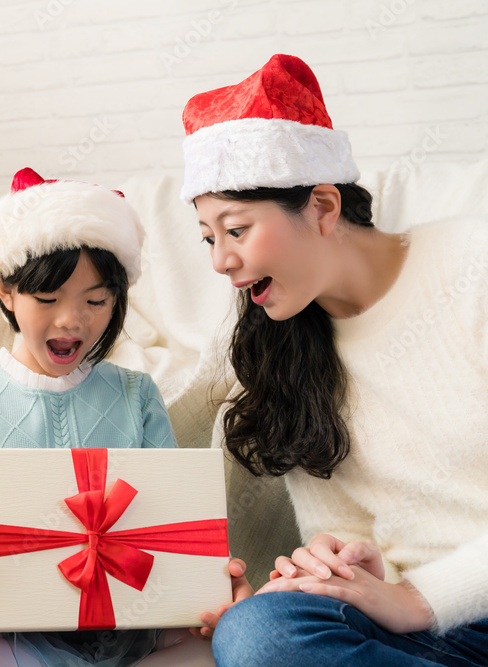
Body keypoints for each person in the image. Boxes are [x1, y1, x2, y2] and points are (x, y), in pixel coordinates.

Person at [179, 54, 488, 666]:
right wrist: (347, 567)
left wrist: (421, 598)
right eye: (209, 237)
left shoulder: (472, 268)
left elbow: (411, 600)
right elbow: (353, 536)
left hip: (437, 607)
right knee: (255, 629)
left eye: (236, 229)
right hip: (420, 633)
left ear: (322, 206)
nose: (220, 262)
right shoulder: (284, 349)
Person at [0, 167, 242, 667]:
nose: (72, 320)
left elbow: (168, 516)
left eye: (96, 300)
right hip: (7, 632)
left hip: (126, 631)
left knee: (224, 643)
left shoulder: (136, 395)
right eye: (47, 299)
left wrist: (204, 581)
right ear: (4, 292)